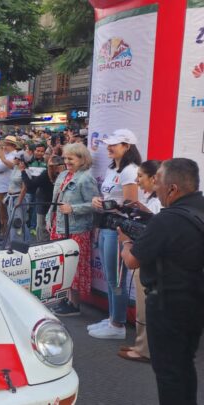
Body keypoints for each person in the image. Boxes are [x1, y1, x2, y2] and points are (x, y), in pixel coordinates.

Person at [118, 158, 204, 405]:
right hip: (195, 300)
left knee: (168, 372)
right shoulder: (197, 208)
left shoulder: (167, 220)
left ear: (173, 188)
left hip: (167, 304)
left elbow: (132, 260)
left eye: (158, 182)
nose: (154, 188)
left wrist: (125, 240)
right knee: (184, 365)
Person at [91, 128, 141, 340]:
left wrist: (108, 204)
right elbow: (110, 198)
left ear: (127, 147)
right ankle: (113, 317)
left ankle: (118, 324)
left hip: (119, 229)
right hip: (106, 224)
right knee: (112, 277)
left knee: (116, 279)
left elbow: (132, 205)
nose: (109, 147)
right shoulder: (113, 169)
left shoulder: (131, 170)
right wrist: (98, 202)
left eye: (115, 144)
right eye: (108, 143)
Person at [46, 144, 99, 316]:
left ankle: (74, 304)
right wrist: (49, 218)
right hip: (59, 226)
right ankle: (65, 299)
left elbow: (95, 205)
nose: (67, 162)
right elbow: (55, 200)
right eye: (66, 158)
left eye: (71, 159)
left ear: (82, 159)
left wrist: (73, 209)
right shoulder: (62, 175)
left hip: (76, 229)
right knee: (62, 266)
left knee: (73, 268)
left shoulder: (86, 179)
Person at [118, 160, 161, 363]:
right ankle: (141, 345)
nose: (137, 181)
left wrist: (127, 241)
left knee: (146, 305)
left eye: (141, 176)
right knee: (143, 305)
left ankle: (145, 350)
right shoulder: (154, 201)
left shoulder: (161, 203)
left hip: (146, 259)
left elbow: (158, 229)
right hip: (144, 257)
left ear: (154, 178)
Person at [21, 155, 65, 241]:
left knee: (42, 229)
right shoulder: (63, 175)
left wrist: (23, 172)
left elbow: (30, 185)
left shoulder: (46, 174)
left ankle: (42, 247)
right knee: (52, 229)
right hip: (56, 205)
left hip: (44, 205)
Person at [0, 136, 19, 241]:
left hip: (4, 188)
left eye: (6, 144)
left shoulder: (13, 156)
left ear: (12, 145)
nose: (3, 147)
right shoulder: (6, 156)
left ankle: (6, 235)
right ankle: (4, 233)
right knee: (1, 213)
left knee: (4, 213)